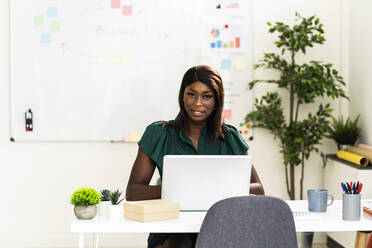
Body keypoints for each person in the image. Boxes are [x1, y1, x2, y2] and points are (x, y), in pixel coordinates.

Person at [126, 65, 265, 248]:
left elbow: (258, 189)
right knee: (180, 243)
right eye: (191, 94)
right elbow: (133, 192)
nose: (197, 103)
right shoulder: (159, 133)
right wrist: (175, 191)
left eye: (206, 96)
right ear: (182, 96)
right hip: (171, 226)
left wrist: (214, 190)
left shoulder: (229, 137)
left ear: (216, 101)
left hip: (219, 224)